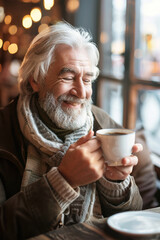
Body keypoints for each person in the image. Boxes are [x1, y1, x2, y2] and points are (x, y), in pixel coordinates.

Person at [0, 21, 147, 240]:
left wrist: (116, 185)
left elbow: (133, 217)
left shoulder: (104, 124)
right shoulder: (4, 131)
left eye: (87, 80)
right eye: (68, 78)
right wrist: (64, 180)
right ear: (35, 80)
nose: (81, 92)